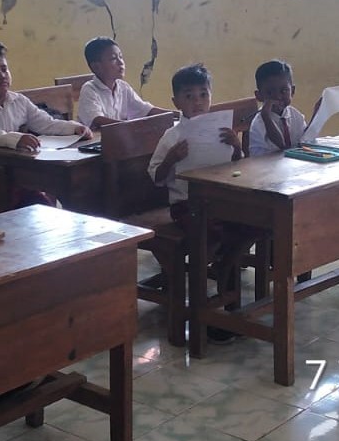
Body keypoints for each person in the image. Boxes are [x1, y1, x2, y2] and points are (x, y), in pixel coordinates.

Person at [148, 63, 256, 343]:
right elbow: (156, 178)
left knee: (253, 225)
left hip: (221, 200)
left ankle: (225, 281)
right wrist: (171, 159)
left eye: (203, 95)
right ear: (176, 101)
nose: (197, 102)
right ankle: (208, 307)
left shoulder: (221, 130)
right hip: (186, 205)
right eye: (189, 96)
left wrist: (236, 147)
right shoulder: (173, 136)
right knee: (211, 236)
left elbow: (238, 167)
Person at [0, 40, 92, 216]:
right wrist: (15, 139)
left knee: (43, 207)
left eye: (4, 69)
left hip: (13, 173)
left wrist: (74, 128)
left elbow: (46, 123)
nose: (2, 76)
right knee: (5, 214)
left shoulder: (18, 100)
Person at [77, 36, 170, 129]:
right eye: (113, 59)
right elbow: (97, 120)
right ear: (96, 67)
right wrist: (131, 126)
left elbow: (146, 110)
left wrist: (173, 114)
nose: (120, 62)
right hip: (98, 138)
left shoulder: (123, 87)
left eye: (120, 57)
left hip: (120, 134)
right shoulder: (89, 90)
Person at [249, 59, 308, 156]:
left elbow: (306, 142)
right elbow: (282, 146)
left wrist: (317, 115)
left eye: (283, 91)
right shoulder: (259, 122)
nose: (278, 96)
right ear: (259, 96)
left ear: (292, 91)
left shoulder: (296, 116)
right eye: (270, 92)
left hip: (290, 163)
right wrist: (266, 117)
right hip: (265, 164)